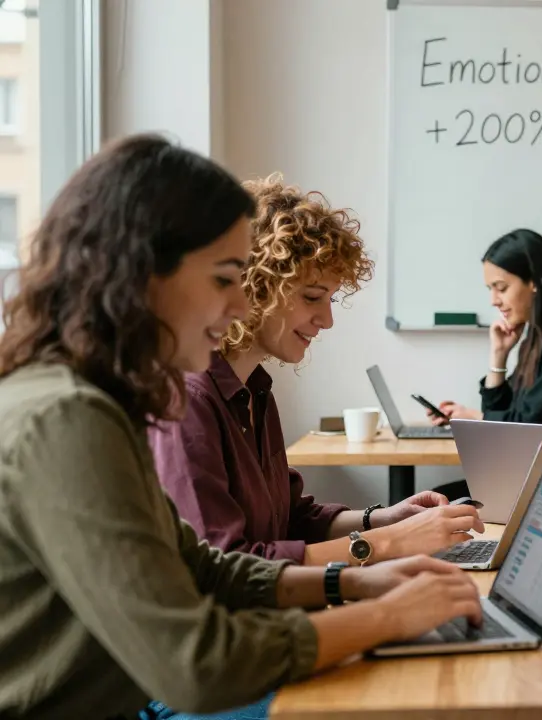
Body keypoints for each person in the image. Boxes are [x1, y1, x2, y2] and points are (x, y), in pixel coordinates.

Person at [0, 135, 482, 720]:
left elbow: (202, 566)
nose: (238, 304)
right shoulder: (68, 419)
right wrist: (386, 610)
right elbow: (195, 666)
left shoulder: (97, 401)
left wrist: (352, 584)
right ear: (145, 271)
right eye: (225, 278)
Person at [148, 174, 483, 569]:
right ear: (256, 285)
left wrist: (383, 519)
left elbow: (292, 518)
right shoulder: (189, 401)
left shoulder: (254, 390)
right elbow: (230, 567)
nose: (326, 320)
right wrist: (389, 542)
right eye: (312, 297)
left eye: (331, 299)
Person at [430, 229, 542, 428]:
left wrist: (473, 417)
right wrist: (499, 354)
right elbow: (506, 413)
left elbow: (533, 428)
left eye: (501, 288)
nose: (493, 301)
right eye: (491, 289)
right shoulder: (538, 336)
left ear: (534, 282)